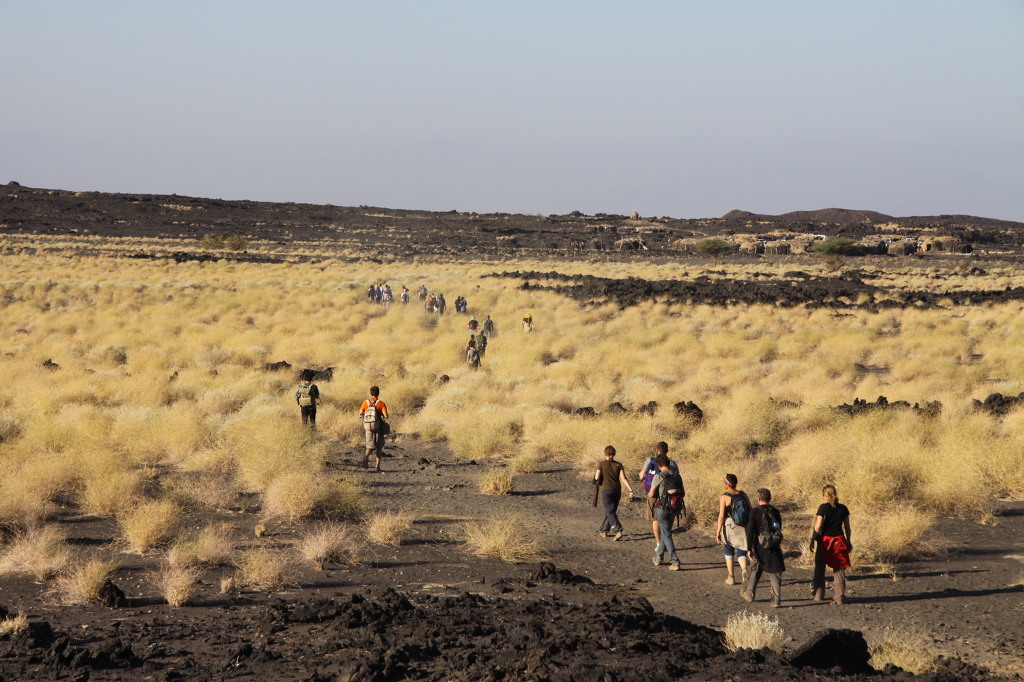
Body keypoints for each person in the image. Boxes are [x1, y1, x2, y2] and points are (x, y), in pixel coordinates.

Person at [741, 488, 785, 607]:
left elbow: (750, 531)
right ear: (769, 498)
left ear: (759, 498)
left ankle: (749, 593)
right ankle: (775, 600)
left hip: (759, 546)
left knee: (755, 568)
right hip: (773, 545)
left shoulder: (755, 512)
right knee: (775, 572)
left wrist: (749, 548)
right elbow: (779, 528)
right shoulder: (775, 511)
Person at [811, 484, 852, 604]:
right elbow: (847, 527)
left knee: (820, 567)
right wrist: (848, 540)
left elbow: (818, 526)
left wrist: (813, 539)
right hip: (839, 541)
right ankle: (839, 597)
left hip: (825, 541)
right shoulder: (843, 508)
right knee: (839, 570)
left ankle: (818, 595)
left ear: (825, 495)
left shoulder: (823, 508)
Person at [639, 442, 680, 552]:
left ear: (657, 450)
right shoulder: (672, 463)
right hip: (668, 496)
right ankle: (664, 542)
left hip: (653, 494)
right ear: (667, 450)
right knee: (667, 521)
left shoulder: (650, 460)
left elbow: (641, 475)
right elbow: (677, 477)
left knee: (655, 520)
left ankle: (659, 543)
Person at [648, 453, 683, 570]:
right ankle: (658, 557)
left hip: (662, 507)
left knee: (666, 534)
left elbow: (651, 494)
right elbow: (683, 493)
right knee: (665, 532)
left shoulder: (659, 476)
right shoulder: (677, 476)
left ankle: (674, 561)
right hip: (674, 507)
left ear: (658, 465)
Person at [593, 445, 635, 541]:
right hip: (617, 490)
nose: (610, 456)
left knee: (610, 511)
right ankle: (604, 530)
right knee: (611, 511)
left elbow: (596, 477)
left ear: (605, 454)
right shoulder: (619, 465)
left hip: (606, 490)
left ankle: (618, 530)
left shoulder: (601, 464)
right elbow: (624, 478)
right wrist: (630, 490)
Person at [715, 473, 751, 585]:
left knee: (728, 550)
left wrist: (718, 532)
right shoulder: (743, 494)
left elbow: (721, 516)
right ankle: (744, 570)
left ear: (728, 484)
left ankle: (731, 577)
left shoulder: (724, 497)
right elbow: (750, 509)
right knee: (742, 551)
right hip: (743, 526)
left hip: (730, 526)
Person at [358, 386, 389, 471]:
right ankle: (377, 467)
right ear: (378, 393)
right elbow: (386, 416)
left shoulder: (365, 403)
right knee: (379, 448)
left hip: (368, 427)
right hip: (378, 428)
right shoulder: (381, 404)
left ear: (371, 393)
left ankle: (366, 457)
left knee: (369, 446)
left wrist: (366, 420)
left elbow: (360, 414)